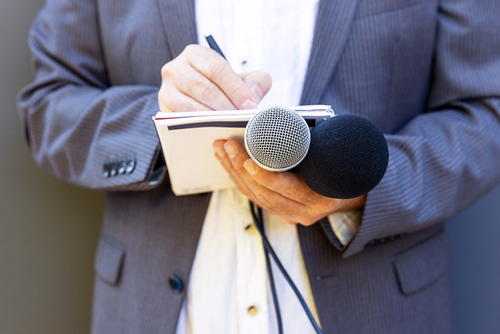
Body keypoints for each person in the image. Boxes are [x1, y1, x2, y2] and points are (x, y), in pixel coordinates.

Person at [17, 0, 500, 333]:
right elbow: (48, 108)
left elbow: (486, 110)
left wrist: (362, 188)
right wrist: (160, 119)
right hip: (159, 310)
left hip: (376, 308)